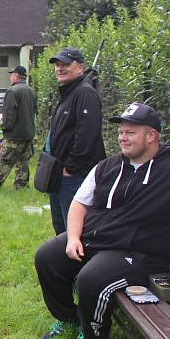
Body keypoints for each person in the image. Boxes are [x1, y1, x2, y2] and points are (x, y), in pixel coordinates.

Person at [34, 102, 170, 339]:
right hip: (98, 239)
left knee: (91, 279)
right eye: (121, 132)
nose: (122, 138)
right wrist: (72, 238)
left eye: (130, 132)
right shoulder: (108, 166)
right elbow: (79, 204)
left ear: (152, 136)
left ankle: (93, 337)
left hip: (142, 252)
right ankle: (69, 317)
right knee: (47, 256)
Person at [43, 47, 105, 234]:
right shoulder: (68, 93)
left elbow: (86, 135)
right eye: (57, 65)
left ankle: (78, 263)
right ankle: (61, 262)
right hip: (59, 174)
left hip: (75, 176)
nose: (60, 68)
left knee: (75, 230)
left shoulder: (85, 94)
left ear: (80, 67)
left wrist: (70, 168)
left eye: (65, 64)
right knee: (61, 227)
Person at [0, 66, 36, 190]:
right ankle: (21, 186)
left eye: (11, 74)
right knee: (23, 162)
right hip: (28, 133)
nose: (10, 77)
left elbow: (9, 113)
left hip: (14, 134)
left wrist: (5, 128)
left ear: (16, 75)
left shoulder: (12, 91)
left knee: (4, 160)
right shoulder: (31, 90)